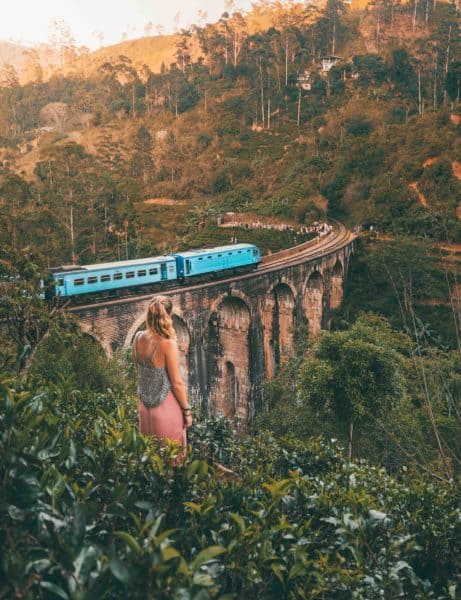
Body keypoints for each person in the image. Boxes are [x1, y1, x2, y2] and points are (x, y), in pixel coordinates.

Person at [132, 295, 192, 458]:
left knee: (151, 457)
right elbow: (177, 383)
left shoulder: (137, 338)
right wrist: (187, 411)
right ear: (170, 316)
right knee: (172, 459)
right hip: (167, 408)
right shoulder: (168, 343)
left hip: (144, 408)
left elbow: (140, 373)